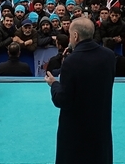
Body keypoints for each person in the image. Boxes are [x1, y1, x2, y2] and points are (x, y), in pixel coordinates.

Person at [45, 17, 114, 164]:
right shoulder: (108, 56)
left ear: (75, 36)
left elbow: (62, 100)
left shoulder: (71, 61)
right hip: (100, 124)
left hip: (75, 130)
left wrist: (54, 85)